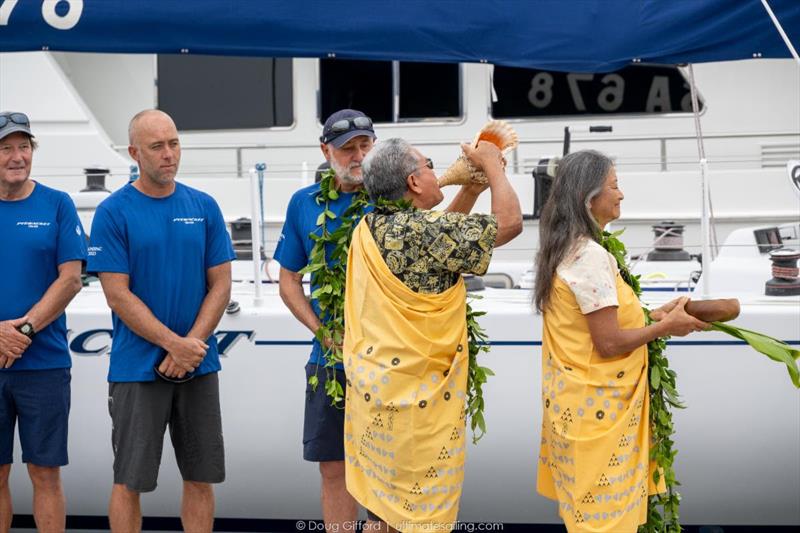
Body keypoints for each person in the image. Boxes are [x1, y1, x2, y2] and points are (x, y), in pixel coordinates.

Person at [343, 137, 523, 531]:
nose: (433, 168)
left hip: (377, 396)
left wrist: (470, 189)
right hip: (417, 409)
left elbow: (442, 243)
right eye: (427, 165)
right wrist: (492, 166)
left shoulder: (371, 226)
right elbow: (509, 224)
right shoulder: (420, 231)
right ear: (414, 182)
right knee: (416, 514)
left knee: (384, 509)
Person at [533, 150, 708, 532]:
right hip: (599, 419)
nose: (621, 194)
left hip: (576, 411)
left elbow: (601, 319)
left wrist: (657, 314)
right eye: (614, 185)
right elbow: (609, 343)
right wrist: (666, 328)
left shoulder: (566, 247)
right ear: (588, 197)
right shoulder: (589, 256)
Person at [87, 109, 235, 532]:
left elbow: (221, 285)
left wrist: (191, 346)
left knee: (201, 478)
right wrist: (175, 344)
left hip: (198, 364)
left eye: (173, 143)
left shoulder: (203, 206)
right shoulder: (113, 212)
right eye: (157, 146)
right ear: (134, 152)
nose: (169, 154)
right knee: (129, 481)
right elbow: (117, 294)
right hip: (137, 369)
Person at [274, 109, 376, 527]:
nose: (358, 156)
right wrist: (322, 331)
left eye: (365, 146)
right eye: (348, 148)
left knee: (383, 470)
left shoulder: (392, 197)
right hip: (329, 360)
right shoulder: (304, 203)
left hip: (387, 358)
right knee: (334, 467)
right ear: (325, 151)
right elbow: (287, 280)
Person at [0, 111, 86, 533]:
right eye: (6, 148)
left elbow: (71, 279)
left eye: (24, 147)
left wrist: (23, 330)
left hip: (45, 365)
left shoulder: (57, 204)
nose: (17, 156)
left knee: (45, 473)